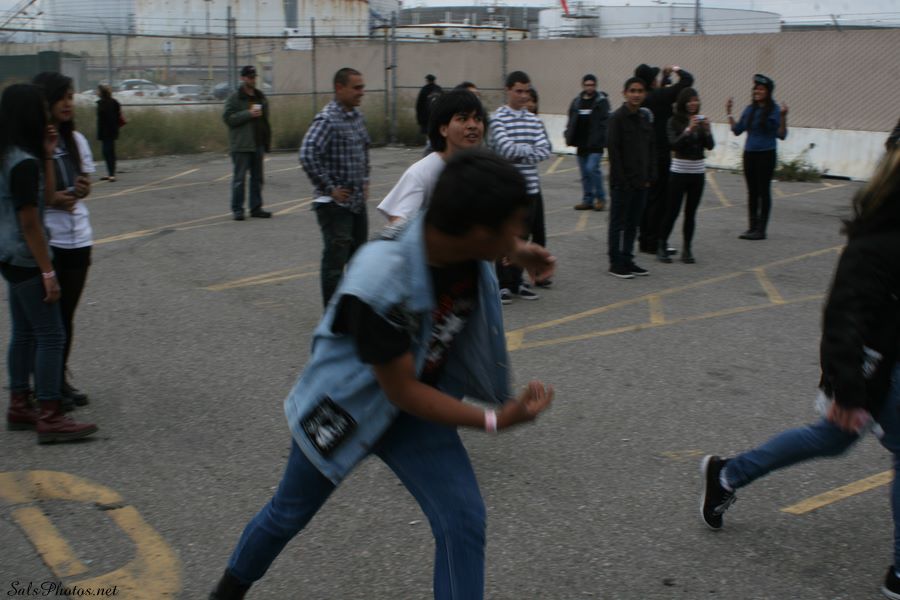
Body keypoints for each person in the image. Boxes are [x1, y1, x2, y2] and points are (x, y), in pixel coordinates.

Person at [208, 149, 554, 600]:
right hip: (345, 407)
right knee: (287, 514)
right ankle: (227, 591)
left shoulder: (460, 239)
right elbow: (402, 390)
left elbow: (410, 396)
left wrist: (519, 251)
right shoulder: (379, 282)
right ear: (478, 230)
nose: (521, 233)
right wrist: (494, 420)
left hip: (416, 412)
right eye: (514, 227)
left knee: (463, 521)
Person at [699, 147, 900, 599]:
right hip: (876, 373)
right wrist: (848, 394)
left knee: (832, 439)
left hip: (882, 371)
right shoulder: (875, 243)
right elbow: (842, 322)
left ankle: (727, 474)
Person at [1, 83, 98, 443]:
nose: (47, 115)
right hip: (27, 257)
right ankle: (50, 414)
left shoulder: (10, 155)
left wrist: (46, 153)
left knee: (24, 332)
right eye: (41, 110)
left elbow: (41, 200)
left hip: (9, 255)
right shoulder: (23, 164)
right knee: (51, 334)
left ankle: (19, 403)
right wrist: (47, 271)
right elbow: (30, 221)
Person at [33, 71, 96, 409]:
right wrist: (52, 199)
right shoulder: (34, 143)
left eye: (70, 97)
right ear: (45, 101)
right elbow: (27, 195)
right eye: (61, 97)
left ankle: (59, 378)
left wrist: (83, 189)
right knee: (49, 320)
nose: (67, 103)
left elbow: (86, 182)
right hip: (50, 238)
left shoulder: (77, 140)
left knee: (67, 315)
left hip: (78, 237)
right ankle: (45, 385)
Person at [300, 67, 371, 307]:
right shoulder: (327, 119)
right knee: (335, 264)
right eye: (356, 88)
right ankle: (332, 317)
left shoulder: (357, 117)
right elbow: (307, 154)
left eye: (362, 87)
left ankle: (353, 312)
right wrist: (330, 188)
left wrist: (365, 180)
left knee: (359, 260)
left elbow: (364, 150)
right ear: (339, 88)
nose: (361, 92)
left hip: (356, 203)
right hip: (335, 207)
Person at [488, 70, 551, 303]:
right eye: (519, 91)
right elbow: (505, 150)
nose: (524, 96)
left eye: (526, 91)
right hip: (505, 191)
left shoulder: (534, 120)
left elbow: (546, 150)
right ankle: (502, 284)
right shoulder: (497, 119)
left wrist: (519, 152)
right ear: (508, 90)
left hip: (530, 190)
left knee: (523, 237)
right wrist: (528, 150)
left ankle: (517, 281)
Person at [377, 89, 486, 223]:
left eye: (478, 119)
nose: (473, 125)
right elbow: (399, 223)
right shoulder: (421, 173)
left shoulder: (486, 169)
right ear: (443, 129)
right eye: (463, 119)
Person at [634, 63, 694, 256]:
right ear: (651, 81)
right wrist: (676, 69)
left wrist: (666, 78)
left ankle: (645, 239)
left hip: (643, 153)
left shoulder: (643, 99)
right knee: (660, 199)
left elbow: (662, 92)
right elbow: (687, 80)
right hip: (660, 154)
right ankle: (654, 241)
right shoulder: (659, 96)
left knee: (646, 198)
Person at [727, 73, 788, 240]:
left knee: (763, 191)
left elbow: (782, 134)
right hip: (749, 154)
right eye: (756, 89)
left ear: (768, 92)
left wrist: (783, 117)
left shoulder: (774, 110)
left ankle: (761, 230)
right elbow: (737, 130)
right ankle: (752, 227)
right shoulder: (749, 110)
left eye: (761, 89)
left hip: (766, 154)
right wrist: (729, 113)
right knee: (752, 192)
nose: (757, 91)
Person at [657, 87, 714, 265]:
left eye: (695, 100)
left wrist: (707, 130)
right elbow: (673, 144)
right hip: (679, 171)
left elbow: (710, 146)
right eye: (689, 100)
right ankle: (662, 244)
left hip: (697, 172)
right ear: (683, 103)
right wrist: (688, 130)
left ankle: (687, 248)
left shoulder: (700, 121)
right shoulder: (674, 121)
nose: (693, 103)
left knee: (691, 213)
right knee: (672, 211)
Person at [606, 77, 656, 280]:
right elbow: (614, 151)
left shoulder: (644, 118)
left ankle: (628, 259)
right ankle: (615, 262)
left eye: (640, 91)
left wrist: (650, 176)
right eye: (632, 90)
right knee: (617, 223)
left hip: (641, 182)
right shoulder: (616, 118)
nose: (636, 94)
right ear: (624, 93)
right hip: (622, 183)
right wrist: (622, 181)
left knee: (633, 224)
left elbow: (650, 149)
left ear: (645, 94)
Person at [223, 65, 272, 221]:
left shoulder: (260, 96)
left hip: (257, 144)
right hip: (242, 145)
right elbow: (228, 118)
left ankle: (256, 208)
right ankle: (238, 209)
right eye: (250, 77)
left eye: (254, 77)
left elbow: (265, 121)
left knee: (257, 178)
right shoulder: (235, 98)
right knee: (239, 179)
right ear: (242, 78)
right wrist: (248, 114)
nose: (252, 80)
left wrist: (266, 141)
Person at [566, 74, 610, 212]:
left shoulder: (601, 101)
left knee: (591, 169)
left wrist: (602, 138)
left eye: (592, 85)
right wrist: (568, 133)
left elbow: (606, 121)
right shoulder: (577, 102)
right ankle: (587, 200)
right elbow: (571, 119)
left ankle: (600, 199)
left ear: (595, 86)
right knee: (584, 173)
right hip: (581, 143)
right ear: (583, 86)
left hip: (595, 144)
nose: (589, 87)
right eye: (587, 85)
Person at [95, 84, 121, 182]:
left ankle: (111, 174)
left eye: (98, 91)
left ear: (102, 92)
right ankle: (110, 173)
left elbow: (112, 117)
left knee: (108, 152)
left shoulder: (105, 103)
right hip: (109, 131)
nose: (96, 92)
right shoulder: (112, 102)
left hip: (108, 131)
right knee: (108, 152)